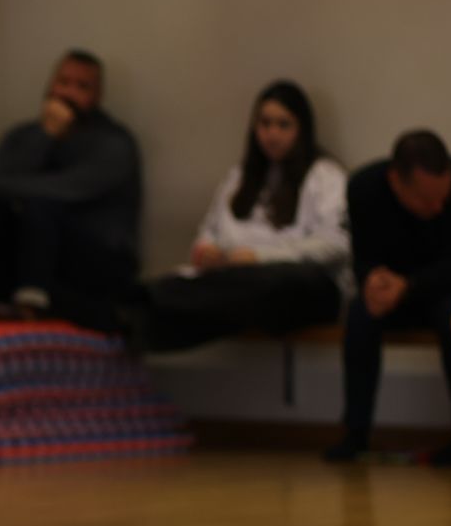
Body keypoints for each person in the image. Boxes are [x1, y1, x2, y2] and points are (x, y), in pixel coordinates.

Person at [0, 50, 141, 329]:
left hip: (91, 261)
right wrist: (45, 136)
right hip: (31, 254)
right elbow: (2, 183)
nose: (69, 92)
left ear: (97, 96)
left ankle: (31, 307)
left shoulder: (115, 143)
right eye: (63, 82)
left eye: (82, 87)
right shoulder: (22, 136)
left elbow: (69, 188)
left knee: (39, 203)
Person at [139, 81, 348, 351]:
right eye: (265, 123)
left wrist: (259, 257)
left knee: (264, 286)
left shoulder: (325, 175)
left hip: (301, 285)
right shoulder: (240, 177)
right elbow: (209, 233)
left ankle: (151, 306)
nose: (272, 134)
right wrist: (208, 252)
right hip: (235, 279)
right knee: (189, 283)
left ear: (301, 128)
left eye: (283, 125)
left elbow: (337, 244)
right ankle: (146, 305)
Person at [325, 130, 451, 465]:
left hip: (445, 290)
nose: (438, 206)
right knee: (360, 317)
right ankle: (355, 433)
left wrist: (411, 284)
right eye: (427, 199)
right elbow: (361, 256)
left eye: (443, 197)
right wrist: (371, 281)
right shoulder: (364, 188)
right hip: (392, 294)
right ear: (396, 181)